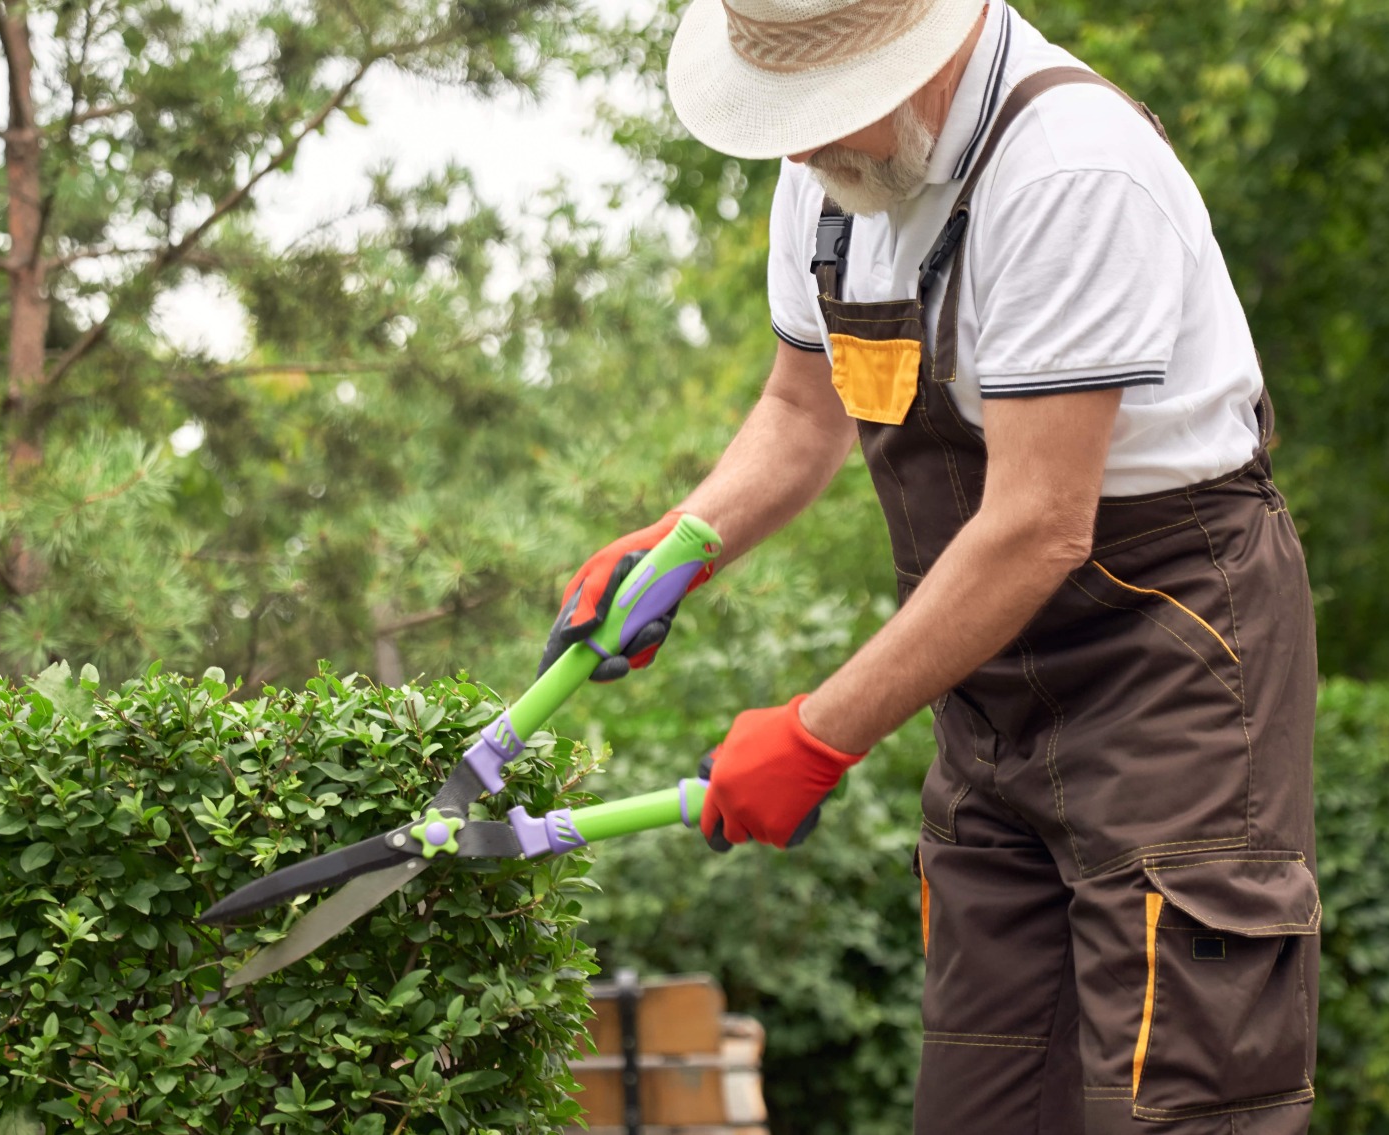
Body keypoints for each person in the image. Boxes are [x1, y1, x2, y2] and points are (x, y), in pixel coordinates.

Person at [540, 2, 1320, 1131]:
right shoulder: (830, 177)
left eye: (820, 105)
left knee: (1177, 1098)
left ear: (918, 52)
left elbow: (1038, 524)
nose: (798, 147)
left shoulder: (1068, 165)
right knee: (983, 1097)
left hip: (1171, 667)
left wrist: (814, 735)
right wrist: (678, 546)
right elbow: (797, 413)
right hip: (988, 688)